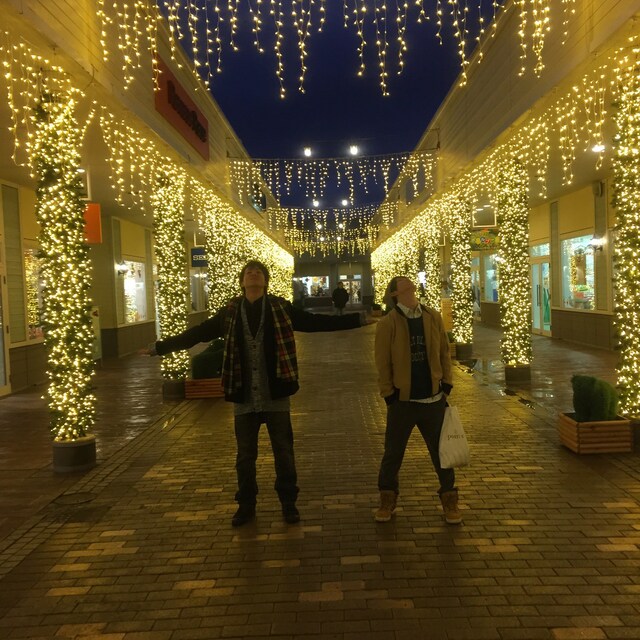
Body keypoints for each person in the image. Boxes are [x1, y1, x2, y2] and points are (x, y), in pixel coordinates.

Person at [146, 260, 368, 527]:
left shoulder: (280, 308)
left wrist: (358, 319)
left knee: (284, 453)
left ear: (265, 281)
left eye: (258, 272)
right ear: (242, 281)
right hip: (244, 396)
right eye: (249, 272)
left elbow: (314, 322)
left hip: (276, 393)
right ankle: (246, 505)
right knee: (245, 457)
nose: (253, 274)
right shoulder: (230, 311)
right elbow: (198, 333)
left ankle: (288, 503)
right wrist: (161, 348)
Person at [373, 275, 462, 525]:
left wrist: (447, 382)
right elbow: (382, 362)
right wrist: (388, 393)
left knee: (441, 453)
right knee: (393, 453)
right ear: (395, 296)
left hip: (433, 399)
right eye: (406, 289)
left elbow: (443, 351)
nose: (411, 291)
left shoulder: (432, 316)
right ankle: (387, 500)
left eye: (412, 287)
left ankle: (450, 500)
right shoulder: (388, 323)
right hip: (402, 402)